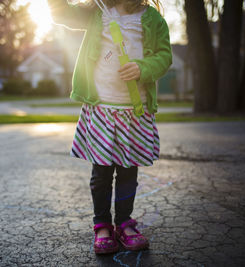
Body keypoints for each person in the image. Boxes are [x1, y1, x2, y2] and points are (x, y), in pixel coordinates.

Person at [47, 0, 172, 254]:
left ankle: (124, 224)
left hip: (134, 112)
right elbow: (61, 13)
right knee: (101, 173)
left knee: (128, 172)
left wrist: (143, 67)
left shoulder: (152, 19)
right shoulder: (97, 13)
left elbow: (164, 55)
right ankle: (102, 226)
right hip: (102, 108)